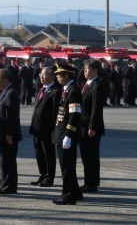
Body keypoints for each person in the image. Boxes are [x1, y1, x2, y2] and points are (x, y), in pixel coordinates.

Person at [52, 63, 83, 205]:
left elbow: (74, 115)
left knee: (67, 167)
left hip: (67, 134)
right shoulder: (66, 90)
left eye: (59, 75)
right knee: (67, 166)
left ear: (66, 75)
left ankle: (67, 195)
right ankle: (76, 192)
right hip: (62, 132)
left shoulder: (73, 91)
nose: (57, 77)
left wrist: (68, 135)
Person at [29, 66, 61, 188]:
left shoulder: (55, 91)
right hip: (37, 127)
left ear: (52, 76)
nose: (41, 77)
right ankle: (42, 174)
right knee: (39, 153)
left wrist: (54, 129)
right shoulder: (41, 90)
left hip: (47, 129)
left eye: (44, 75)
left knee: (48, 153)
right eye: (40, 75)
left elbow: (55, 112)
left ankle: (49, 177)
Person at [0, 68, 22, 194]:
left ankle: (10, 186)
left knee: (9, 160)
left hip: (8, 134)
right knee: (3, 160)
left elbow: (12, 116)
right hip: (2, 133)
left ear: (4, 80)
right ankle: (3, 183)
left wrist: (9, 133)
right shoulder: (5, 92)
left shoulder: (11, 93)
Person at [80, 59, 105, 194]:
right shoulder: (86, 85)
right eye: (84, 68)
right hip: (83, 127)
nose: (84, 71)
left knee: (92, 156)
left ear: (95, 70)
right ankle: (87, 181)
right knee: (85, 156)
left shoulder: (97, 86)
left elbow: (96, 109)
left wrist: (93, 127)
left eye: (87, 69)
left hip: (91, 128)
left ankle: (93, 183)